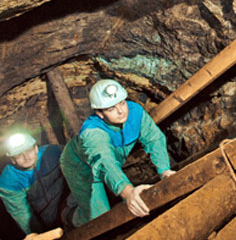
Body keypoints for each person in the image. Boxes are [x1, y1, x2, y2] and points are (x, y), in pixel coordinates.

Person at [60, 79, 175, 227]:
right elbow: (105, 161)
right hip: (80, 165)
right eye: (111, 109)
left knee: (110, 187)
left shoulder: (135, 112)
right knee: (99, 219)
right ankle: (69, 215)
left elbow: (154, 139)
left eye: (122, 103)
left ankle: (78, 197)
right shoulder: (93, 133)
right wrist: (128, 193)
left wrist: (164, 170)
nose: (121, 111)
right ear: (99, 113)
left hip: (108, 161)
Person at [0, 133, 68, 235]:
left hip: (64, 206)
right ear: (12, 160)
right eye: (19, 155)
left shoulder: (53, 152)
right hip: (42, 219)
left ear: (36, 148)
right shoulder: (9, 183)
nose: (26, 157)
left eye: (29, 151)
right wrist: (39, 236)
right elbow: (23, 215)